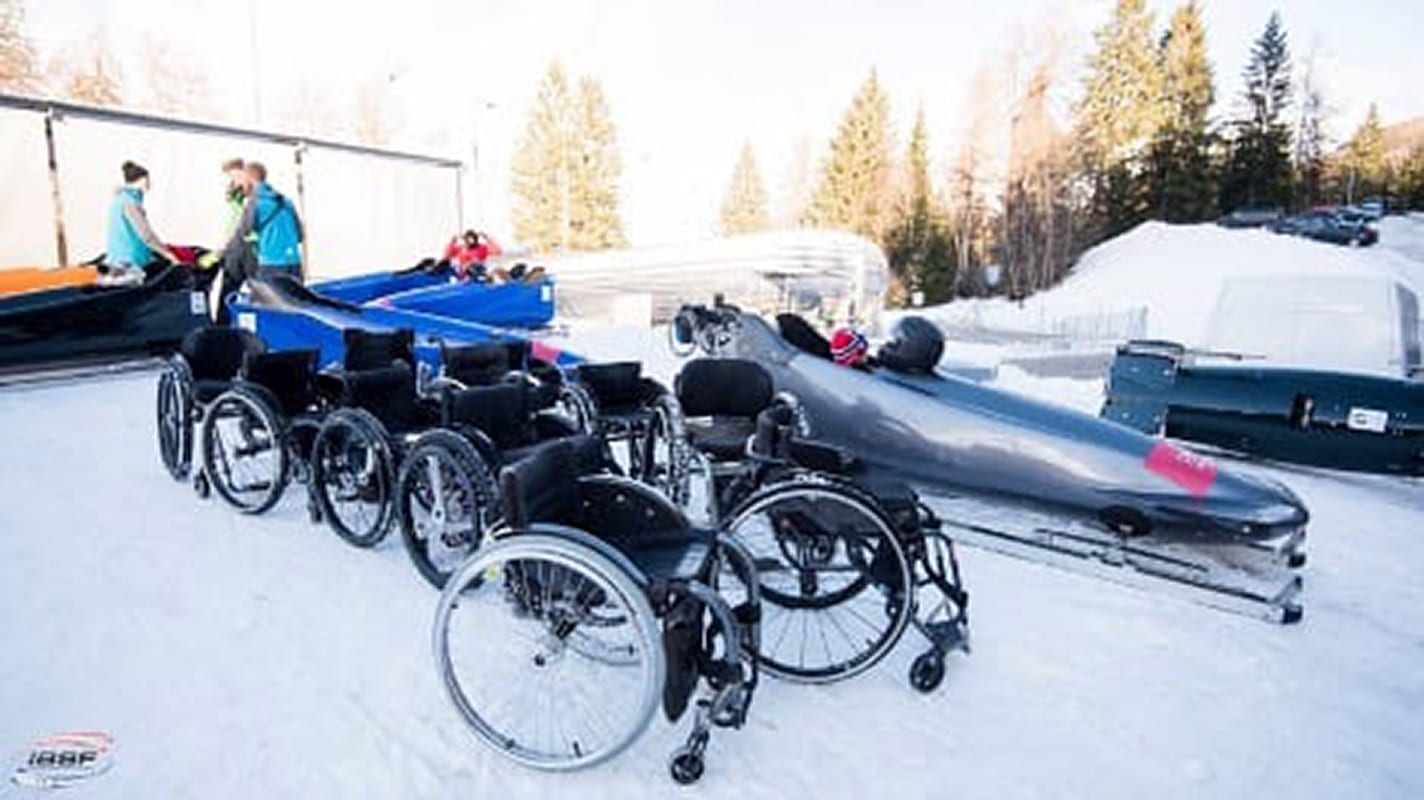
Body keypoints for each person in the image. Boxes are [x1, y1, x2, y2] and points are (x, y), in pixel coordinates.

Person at [219, 160, 304, 285]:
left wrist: (221, 254)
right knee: (296, 303)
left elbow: (242, 234)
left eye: (241, 180)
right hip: (295, 264)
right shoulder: (286, 201)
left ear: (249, 178)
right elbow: (300, 235)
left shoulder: (256, 203)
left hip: (272, 265)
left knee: (267, 304)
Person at [101, 160, 180, 287]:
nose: (150, 183)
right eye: (148, 179)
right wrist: (169, 255)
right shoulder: (130, 203)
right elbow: (146, 235)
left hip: (116, 259)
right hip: (129, 263)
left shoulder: (120, 199)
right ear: (142, 180)